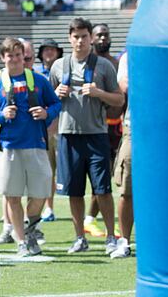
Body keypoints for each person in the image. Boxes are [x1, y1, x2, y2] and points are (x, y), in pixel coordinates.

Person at [0, 38, 61, 257]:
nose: (15, 60)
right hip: (9, 147)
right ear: (2, 57)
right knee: (13, 196)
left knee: (42, 193)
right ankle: (22, 242)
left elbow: (56, 103)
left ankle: (29, 226)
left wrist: (46, 114)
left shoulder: (37, 79)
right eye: (10, 56)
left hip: (36, 144)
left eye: (19, 55)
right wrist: (1, 115)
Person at [49, 18, 124, 255]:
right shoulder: (58, 66)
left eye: (84, 36)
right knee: (74, 191)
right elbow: (49, 102)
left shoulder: (103, 66)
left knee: (102, 189)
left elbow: (119, 100)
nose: (80, 41)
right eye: (76, 36)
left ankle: (111, 237)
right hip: (68, 136)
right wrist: (55, 93)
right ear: (69, 38)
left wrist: (98, 92)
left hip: (96, 135)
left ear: (90, 37)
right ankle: (79, 238)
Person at [84, 23, 124, 237]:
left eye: (105, 35)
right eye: (98, 35)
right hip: (97, 127)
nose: (102, 39)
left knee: (108, 176)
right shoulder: (89, 64)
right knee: (101, 176)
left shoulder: (115, 63)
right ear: (91, 37)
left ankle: (90, 219)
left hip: (117, 128)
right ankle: (89, 219)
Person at [35, 38, 63, 222]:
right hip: (44, 127)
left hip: (62, 124)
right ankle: (48, 207)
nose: (49, 53)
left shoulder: (63, 70)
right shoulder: (36, 74)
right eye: (46, 50)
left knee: (61, 169)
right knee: (47, 170)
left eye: (52, 50)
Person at [111, 51, 132, 258]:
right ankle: (124, 240)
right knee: (127, 189)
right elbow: (125, 86)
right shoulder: (129, 55)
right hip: (134, 128)